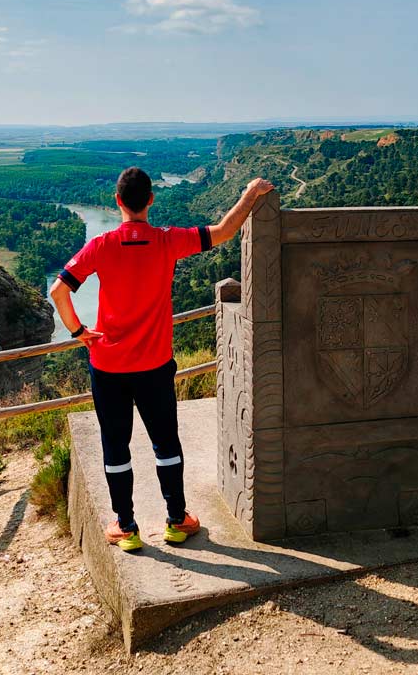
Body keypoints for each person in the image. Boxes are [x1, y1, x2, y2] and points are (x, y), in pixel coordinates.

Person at [50, 167, 274, 552]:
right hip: (154, 366)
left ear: (117, 201)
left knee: (115, 447)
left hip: (108, 367)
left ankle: (126, 527)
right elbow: (223, 231)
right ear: (151, 200)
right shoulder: (168, 241)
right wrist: (250, 194)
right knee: (166, 443)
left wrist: (79, 332)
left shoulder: (101, 245)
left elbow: (59, 291)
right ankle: (176, 520)